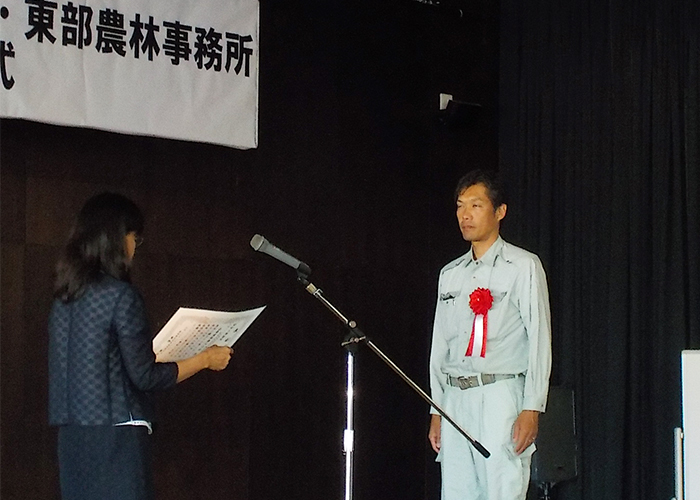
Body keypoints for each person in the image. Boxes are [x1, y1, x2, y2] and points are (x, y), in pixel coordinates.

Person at [48, 192, 233, 500]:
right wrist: (205, 359)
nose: (135, 247)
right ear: (118, 239)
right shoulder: (122, 296)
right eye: (134, 237)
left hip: (71, 438)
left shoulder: (64, 299)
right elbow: (145, 376)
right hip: (117, 436)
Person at [428, 170, 552, 500]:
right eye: (460, 206)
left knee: (502, 490)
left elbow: (540, 339)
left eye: (476, 205)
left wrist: (532, 407)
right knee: (456, 491)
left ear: (500, 211)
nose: (465, 215)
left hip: (500, 393)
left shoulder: (523, 266)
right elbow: (439, 347)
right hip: (456, 397)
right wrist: (437, 409)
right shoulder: (450, 274)